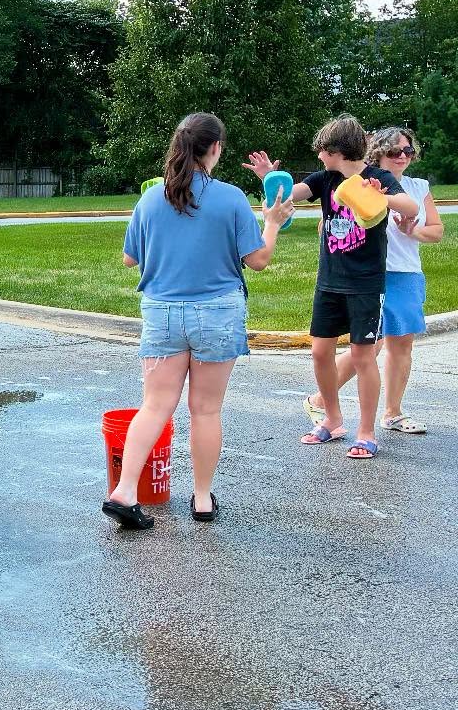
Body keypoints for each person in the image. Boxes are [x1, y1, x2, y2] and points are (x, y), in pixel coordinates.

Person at [103, 113, 291, 530]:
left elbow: (130, 257)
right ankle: (202, 499)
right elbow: (258, 260)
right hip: (218, 313)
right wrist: (272, 224)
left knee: (154, 406)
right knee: (205, 410)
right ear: (216, 149)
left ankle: (125, 491)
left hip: (162, 312)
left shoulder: (152, 198)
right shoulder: (231, 198)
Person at [244, 115, 419, 461]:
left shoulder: (377, 177)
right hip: (330, 282)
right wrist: (269, 179)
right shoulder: (324, 180)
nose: (319, 157)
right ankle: (333, 419)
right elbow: (288, 195)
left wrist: (382, 198)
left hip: (366, 284)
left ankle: (366, 431)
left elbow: (410, 206)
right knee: (320, 351)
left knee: (362, 356)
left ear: (335, 150)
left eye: (321, 151)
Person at [301, 127, 444, 436]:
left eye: (409, 151)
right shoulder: (346, 181)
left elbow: (433, 228)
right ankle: (321, 402)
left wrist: (410, 230)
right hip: (366, 274)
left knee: (399, 344)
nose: (404, 156)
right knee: (369, 348)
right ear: (377, 152)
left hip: (402, 271)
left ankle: (392, 413)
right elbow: (328, 226)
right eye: (396, 151)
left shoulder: (415, 187)